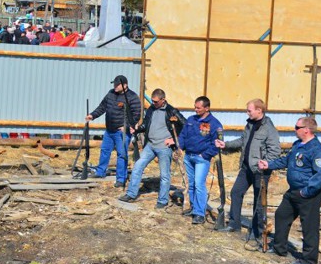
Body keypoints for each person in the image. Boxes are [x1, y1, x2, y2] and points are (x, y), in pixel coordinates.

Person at [259, 117, 321, 264]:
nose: (294, 129)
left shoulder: (317, 150)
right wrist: (268, 164)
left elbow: (320, 175)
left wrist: (306, 191)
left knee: (309, 227)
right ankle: (279, 248)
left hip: (309, 194)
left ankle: (308, 260)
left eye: (296, 127)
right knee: (282, 215)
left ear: (306, 130)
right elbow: (286, 161)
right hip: (294, 192)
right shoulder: (297, 145)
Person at [215, 99, 281, 237]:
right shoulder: (249, 124)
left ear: (259, 110)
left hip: (260, 171)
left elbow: (275, 150)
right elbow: (242, 141)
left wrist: (266, 163)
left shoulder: (268, 128)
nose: (247, 113)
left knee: (258, 201)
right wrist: (225, 145)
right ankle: (234, 224)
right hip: (246, 168)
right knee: (235, 192)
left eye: (249, 110)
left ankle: (257, 232)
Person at [118, 88, 185, 208]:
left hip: (164, 148)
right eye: (152, 101)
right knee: (138, 167)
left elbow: (185, 126)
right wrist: (137, 129)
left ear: (163, 100)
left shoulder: (172, 111)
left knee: (165, 175)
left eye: (155, 101)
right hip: (150, 146)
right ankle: (131, 194)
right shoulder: (151, 109)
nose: (153, 103)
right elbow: (146, 124)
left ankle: (162, 200)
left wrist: (175, 140)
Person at [87, 75, 142, 187]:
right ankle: (100, 172)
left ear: (125, 85)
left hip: (121, 132)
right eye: (114, 84)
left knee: (121, 155)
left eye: (117, 85)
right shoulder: (111, 93)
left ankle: (121, 179)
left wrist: (126, 127)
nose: (115, 86)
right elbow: (102, 107)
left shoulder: (132, 97)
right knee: (104, 151)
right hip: (109, 130)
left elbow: (136, 115)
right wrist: (92, 115)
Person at [177, 96, 222, 224]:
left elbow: (217, 143)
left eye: (198, 107)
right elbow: (183, 135)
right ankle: (193, 207)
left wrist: (205, 155)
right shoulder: (191, 120)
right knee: (190, 184)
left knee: (199, 184)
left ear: (206, 108)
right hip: (188, 156)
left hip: (201, 159)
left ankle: (199, 213)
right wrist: (180, 147)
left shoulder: (214, 124)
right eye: (195, 107)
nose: (195, 109)